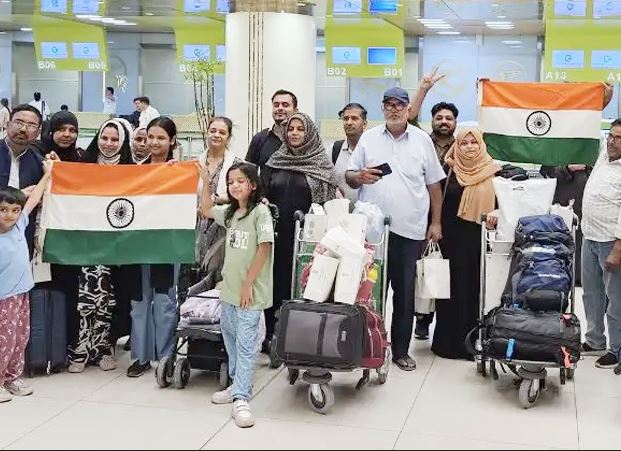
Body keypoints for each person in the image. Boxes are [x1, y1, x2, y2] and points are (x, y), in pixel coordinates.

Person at [346, 87, 445, 371]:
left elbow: (434, 186)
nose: (394, 109)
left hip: (410, 231)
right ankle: (370, 345)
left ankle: (401, 351)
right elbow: (350, 176)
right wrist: (359, 176)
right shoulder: (369, 138)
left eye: (399, 105)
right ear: (382, 108)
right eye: (388, 104)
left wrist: (436, 222)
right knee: (370, 292)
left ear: (408, 109)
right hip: (373, 233)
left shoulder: (422, 141)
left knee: (404, 294)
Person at [199, 161, 274, 428]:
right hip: (229, 291)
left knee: (245, 344)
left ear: (252, 184)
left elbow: (264, 247)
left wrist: (248, 284)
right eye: (231, 182)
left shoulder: (260, 212)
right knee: (230, 339)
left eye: (240, 181)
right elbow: (206, 209)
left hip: (249, 293)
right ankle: (236, 385)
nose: (234, 185)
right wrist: (206, 181)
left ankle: (242, 398)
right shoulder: (231, 213)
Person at [67, 119, 139, 373]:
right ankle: (80, 350)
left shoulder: (132, 170)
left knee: (109, 300)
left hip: (116, 246)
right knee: (84, 298)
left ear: (123, 142)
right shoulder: (83, 166)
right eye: (104, 138)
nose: (108, 144)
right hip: (86, 243)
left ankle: (104, 348)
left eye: (114, 139)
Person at [261, 112, 338, 350]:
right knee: (275, 284)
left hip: (307, 238)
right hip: (275, 236)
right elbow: (263, 192)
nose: (294, 133)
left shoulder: (322, 164)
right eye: (291, 129)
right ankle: (271, 336)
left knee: (302, 285)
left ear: (310, 133)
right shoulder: (276, 160)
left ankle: (300, 339)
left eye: (300, 129)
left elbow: (328, 204)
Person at [431, 128, 500, 360]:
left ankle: (472, 343)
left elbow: (502, 203)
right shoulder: (447, 169)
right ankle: (446, 344)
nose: (469, 146)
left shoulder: (493, 171)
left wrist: (497, 212)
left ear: (481, 145)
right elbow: (435, 200)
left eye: (474, 142)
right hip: (450, 240)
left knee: (474, 289)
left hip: (477, 240)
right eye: (464, 143)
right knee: (449, 290)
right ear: (456, 146)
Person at [126, 117, 178, 378]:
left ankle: (166, 355)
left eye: (161, 137)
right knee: (139, 300)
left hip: (167, 245)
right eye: (151, 137)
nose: (155, 142)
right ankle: (141, 356)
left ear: (172, 141)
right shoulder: (135, 172)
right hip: (137, 244)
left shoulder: (180, 172)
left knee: (164, 300)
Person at [0, 160, 51, 402]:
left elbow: (33, 198)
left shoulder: (20, 224)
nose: (9, 215)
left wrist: (48, 175)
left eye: (14, 210)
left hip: (21, 294)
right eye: (3, 210)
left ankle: (12, 377)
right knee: (4, 340)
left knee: (20, 338)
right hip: (3, 298)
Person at [415, 101, 459, 341]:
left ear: (455, 122)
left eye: (449, 118)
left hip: (451, 215)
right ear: (432, 120)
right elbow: (409, 119)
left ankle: (444, 320)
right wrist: (424, 89)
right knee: (423, 265)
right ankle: (422, 318)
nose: (444, 122)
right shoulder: (422, 142)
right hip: (421, 212)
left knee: (443, 267)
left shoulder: (461, 146)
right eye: (439, 117)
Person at [580, 118, 621, 369]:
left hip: (611, 242)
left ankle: (617, 350)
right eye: (611, 136)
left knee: (615, 299)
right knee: (591, 293)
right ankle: (594, 340)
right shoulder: (604, 157)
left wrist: (618, 249)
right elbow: (588, 119)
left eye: (619, 138)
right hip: (590, 236)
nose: (612, 142)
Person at [0, 104, 44, 255]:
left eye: (31, 125)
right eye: (18, 123)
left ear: (38, 133)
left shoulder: (40, 164)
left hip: (21, 241)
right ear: (7, 125)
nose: (24, 129)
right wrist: (19, 195)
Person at [246, 89, 298, 171]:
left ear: (295, 111)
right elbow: (248, 173)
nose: (280, 108)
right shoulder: (259, 138)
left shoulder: (304, 139)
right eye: (276, 105)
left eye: (285, 105)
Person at [332, 103, 368, 204]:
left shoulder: (373, 150)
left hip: (369, 212)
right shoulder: (335, 149)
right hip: (341, 212)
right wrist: (335, 191)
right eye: (346, 118)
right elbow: (326, 179)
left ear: (364, 124)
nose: (349, 122)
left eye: (354, 118)